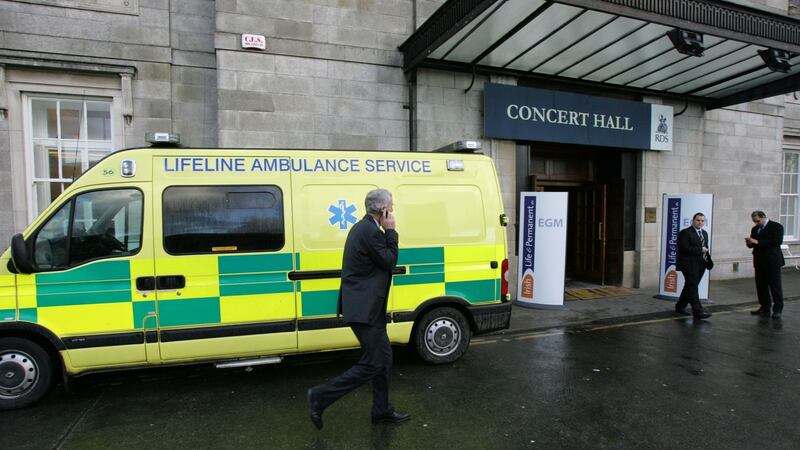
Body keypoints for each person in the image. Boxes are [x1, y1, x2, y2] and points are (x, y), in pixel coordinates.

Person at [307, 189, 409, 430]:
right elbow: (389, 262)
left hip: (367, 308)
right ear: (383, 210)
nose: (393, 209)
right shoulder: (371, 232)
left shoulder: (364, 228)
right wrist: (391, 231)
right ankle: (319, 397)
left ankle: (381, 409)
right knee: (374, 362)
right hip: (365, 310)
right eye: (391, 206)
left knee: (384, 359)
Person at [745, 211, 784, 319]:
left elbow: (777, 241)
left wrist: (757, 242)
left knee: (775, 286)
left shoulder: (776, 226)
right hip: (759, 260)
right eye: (754, 221)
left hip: (772, 261)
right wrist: (749, 243)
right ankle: (765, 307)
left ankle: (778, 309)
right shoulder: (755, 228)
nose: (756, 223)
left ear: (763, 217)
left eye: (757, 221)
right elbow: (753, 244)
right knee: (761, 286)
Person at [674, 212, 712, 320]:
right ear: (693, 221)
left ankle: (680, 306)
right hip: (688, 265)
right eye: (698, 220)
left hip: (701, 264)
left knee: (690, 286)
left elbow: (706, 249)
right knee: (693, 287)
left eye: (702, 221)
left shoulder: (704, 233)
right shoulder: (685, 233)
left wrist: (709, 261)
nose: (700, 222)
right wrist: (700, 250)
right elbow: (683, 248)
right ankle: (698, 311)